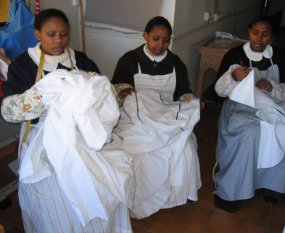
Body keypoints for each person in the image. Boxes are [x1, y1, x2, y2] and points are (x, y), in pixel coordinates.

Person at [1, 9, 134, 233]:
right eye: (51, 34)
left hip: (83, 131)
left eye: (63, 34)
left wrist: (117, 91)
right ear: (37, 34)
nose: (58, 40)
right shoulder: (23, 65)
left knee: (106, 181)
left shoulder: (80, 59)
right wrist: (45, 94)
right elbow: (8, 112)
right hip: (42, 136)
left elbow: (100, 93)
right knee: (58, 193)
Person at [111, 16, 201, 218]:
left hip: (166, 114)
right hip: (136, 118)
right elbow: (115, 87)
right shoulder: (129, 60)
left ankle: (176, 196)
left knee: (185, 148)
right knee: (139, 151)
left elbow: (182, 92)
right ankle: (140, 198)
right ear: (145, 36)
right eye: (156, 38)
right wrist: (123, 90)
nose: (161, 45)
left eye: (166, 40)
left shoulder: (176, 63)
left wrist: (190, 99)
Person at [213, 16, 285, 212]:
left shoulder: (281, 57)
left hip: (270, 107)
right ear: (249, 32)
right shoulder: (235, 55)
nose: (259, 39)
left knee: (283, 129)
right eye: (255, 33)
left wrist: (272, 87)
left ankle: (270, 186)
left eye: (265, 34)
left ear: (272, 36)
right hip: (239, 108)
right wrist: (233, 76)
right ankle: (233, 191)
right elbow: (218, 91)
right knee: (251, 133)